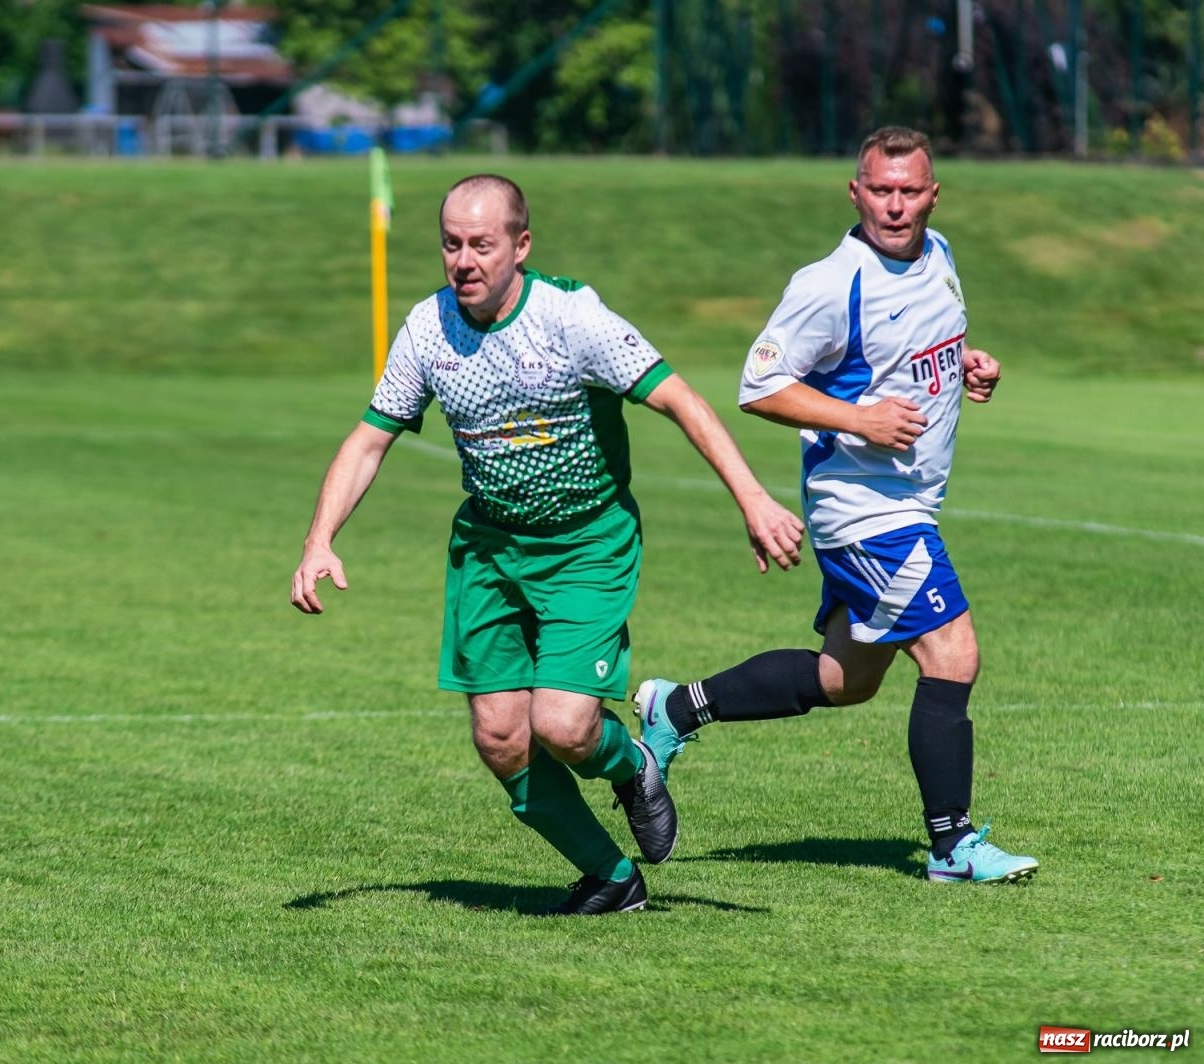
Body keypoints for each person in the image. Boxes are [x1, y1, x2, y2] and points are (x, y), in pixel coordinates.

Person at [291, 174, 804, 914]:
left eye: (482, 244)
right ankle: (611, 875)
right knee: (501, 737)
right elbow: (369, 440)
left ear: (521, 246)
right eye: (451, 244)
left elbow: (680, 399)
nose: (463, 260)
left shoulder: (572, 320)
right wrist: (320, 539)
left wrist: (753, 498)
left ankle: (633, 765)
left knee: (562, 726)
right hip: (491, 550)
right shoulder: (428, 329)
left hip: (585, 542)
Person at [633, 127, 1038, 884]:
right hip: (865, 509)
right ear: (854, 191)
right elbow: (760, 385)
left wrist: (965, 366)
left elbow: (924, 345)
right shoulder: (830, 281)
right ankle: (952, 846)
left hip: (906, 501)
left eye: (909, 190)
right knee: (954, 653)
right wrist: (859, 419)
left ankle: (676, 709)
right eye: (879, 190)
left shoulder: (940, 254)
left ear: (933, 193)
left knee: (846, 678)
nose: (894, 205)